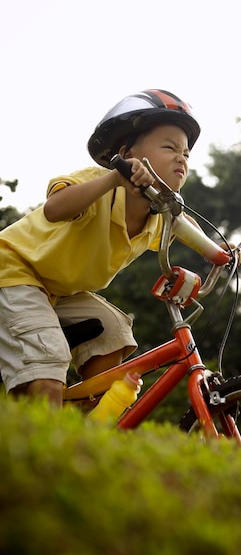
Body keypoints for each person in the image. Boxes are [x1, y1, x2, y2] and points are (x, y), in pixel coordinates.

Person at [0, 89, 204, 406]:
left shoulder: (157, 217)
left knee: (113, 332)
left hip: (56, 291)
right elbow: (54, 209)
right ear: (126, 151)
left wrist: (221, 248)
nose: (181, 157)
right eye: (169, 147)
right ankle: (41, 419)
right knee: (47, 355)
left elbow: (188, 227)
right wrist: (114, 178)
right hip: (14, 270)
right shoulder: (99, 183)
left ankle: (76, 421)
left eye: (187, 154)